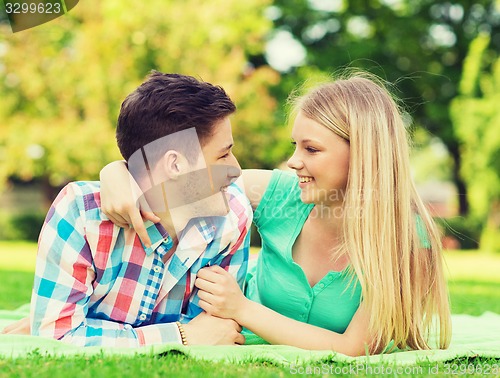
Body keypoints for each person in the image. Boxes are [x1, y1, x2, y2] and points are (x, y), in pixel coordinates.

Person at [98, 71, 452, 356]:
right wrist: (117, 173)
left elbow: (353, 349)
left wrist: (242, 309)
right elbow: (184, 179)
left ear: (363, 153)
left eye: (311, 149)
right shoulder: (280, 195)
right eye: (295, 146)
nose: (294, 161)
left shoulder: (408, 240)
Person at [1, 71, 253, 347]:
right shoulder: (82, 215)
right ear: (175, 165)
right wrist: (179, 336)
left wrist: (91, 330)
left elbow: (215, 331)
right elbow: (58, 338)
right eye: (223, 154)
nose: (236, 169)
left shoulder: (232, 217)